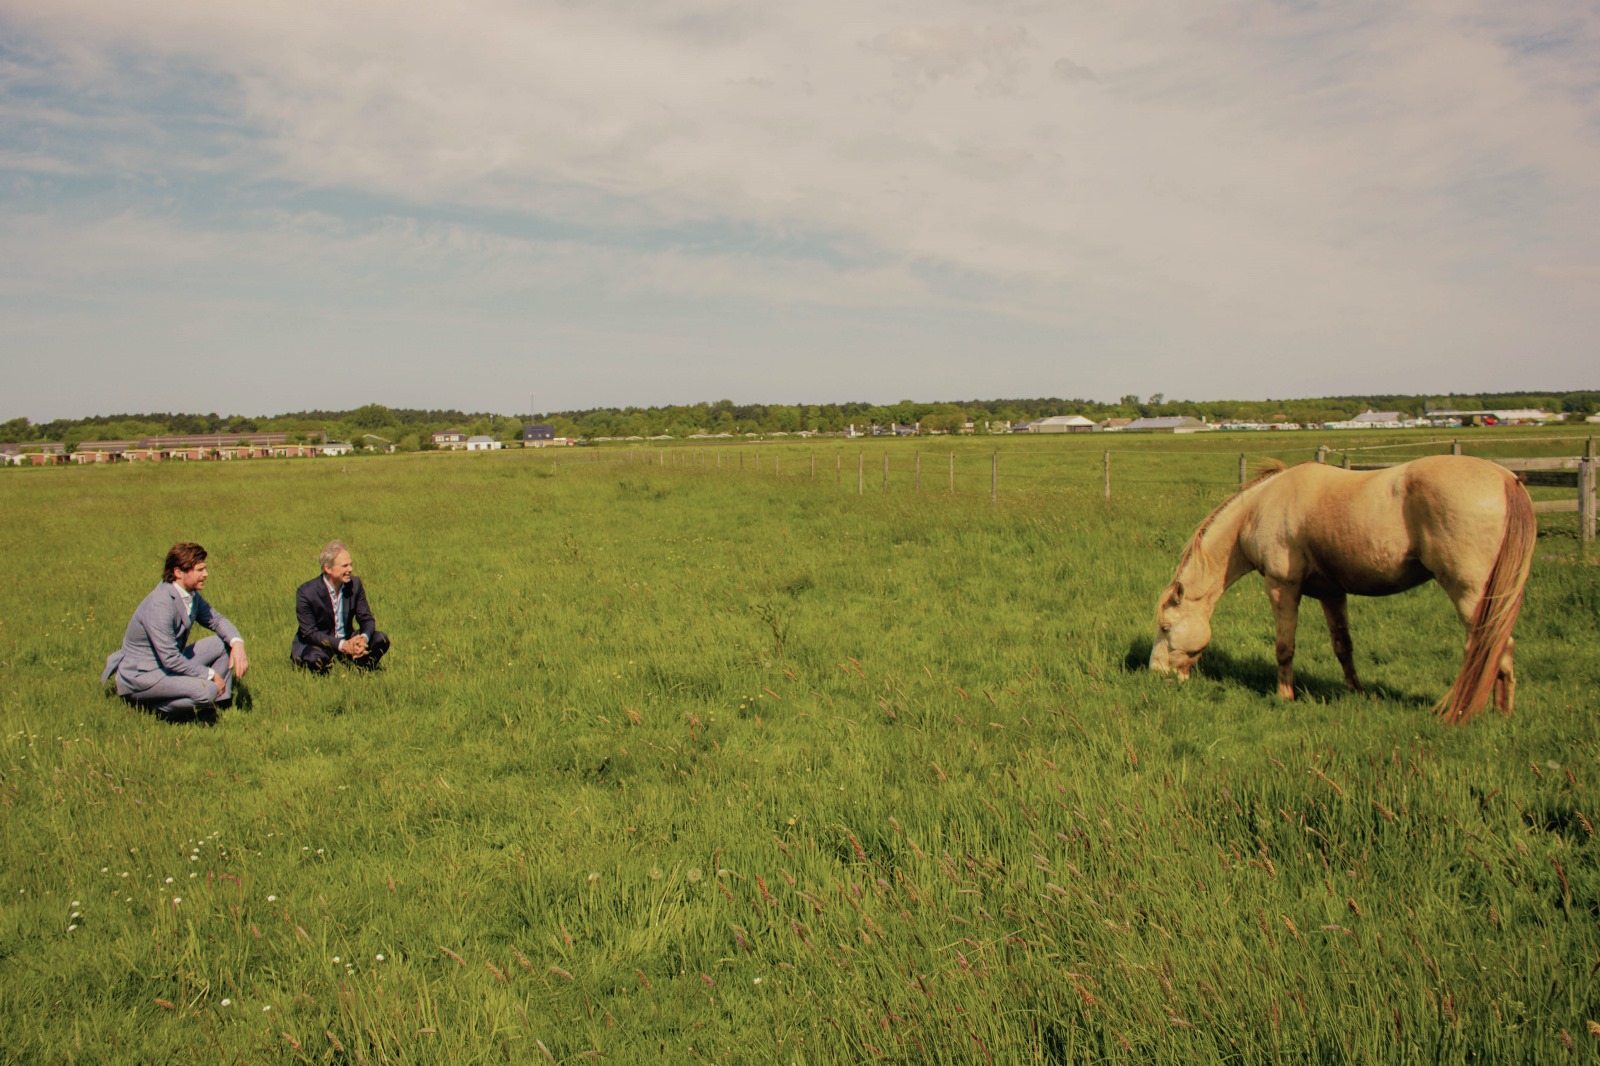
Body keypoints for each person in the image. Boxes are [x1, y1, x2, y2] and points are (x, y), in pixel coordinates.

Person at [102, 542, 250, 718]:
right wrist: (210, 674)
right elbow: (170, 658)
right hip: (144, 676)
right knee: (207, 690)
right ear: (178, 572)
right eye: (200, 570)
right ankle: (157, 708)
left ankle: (220, 705)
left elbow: (216, 620)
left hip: (167, 665)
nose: (206, 574)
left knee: (224, 643)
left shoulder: (190, 595)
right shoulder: (160, 605)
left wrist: (238, 644)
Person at [291, 541, 390, 672]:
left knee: (380, 639)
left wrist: (363, 639)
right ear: (328, 568)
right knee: (316, 660)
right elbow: (309, 633)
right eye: (345, 566)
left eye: (350, 565)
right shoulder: (306, 593)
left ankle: (363, 668)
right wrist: (343, 645)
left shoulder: (355, 585)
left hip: (348, 639)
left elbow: (367, 619)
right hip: (320, 643)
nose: (350, 569)